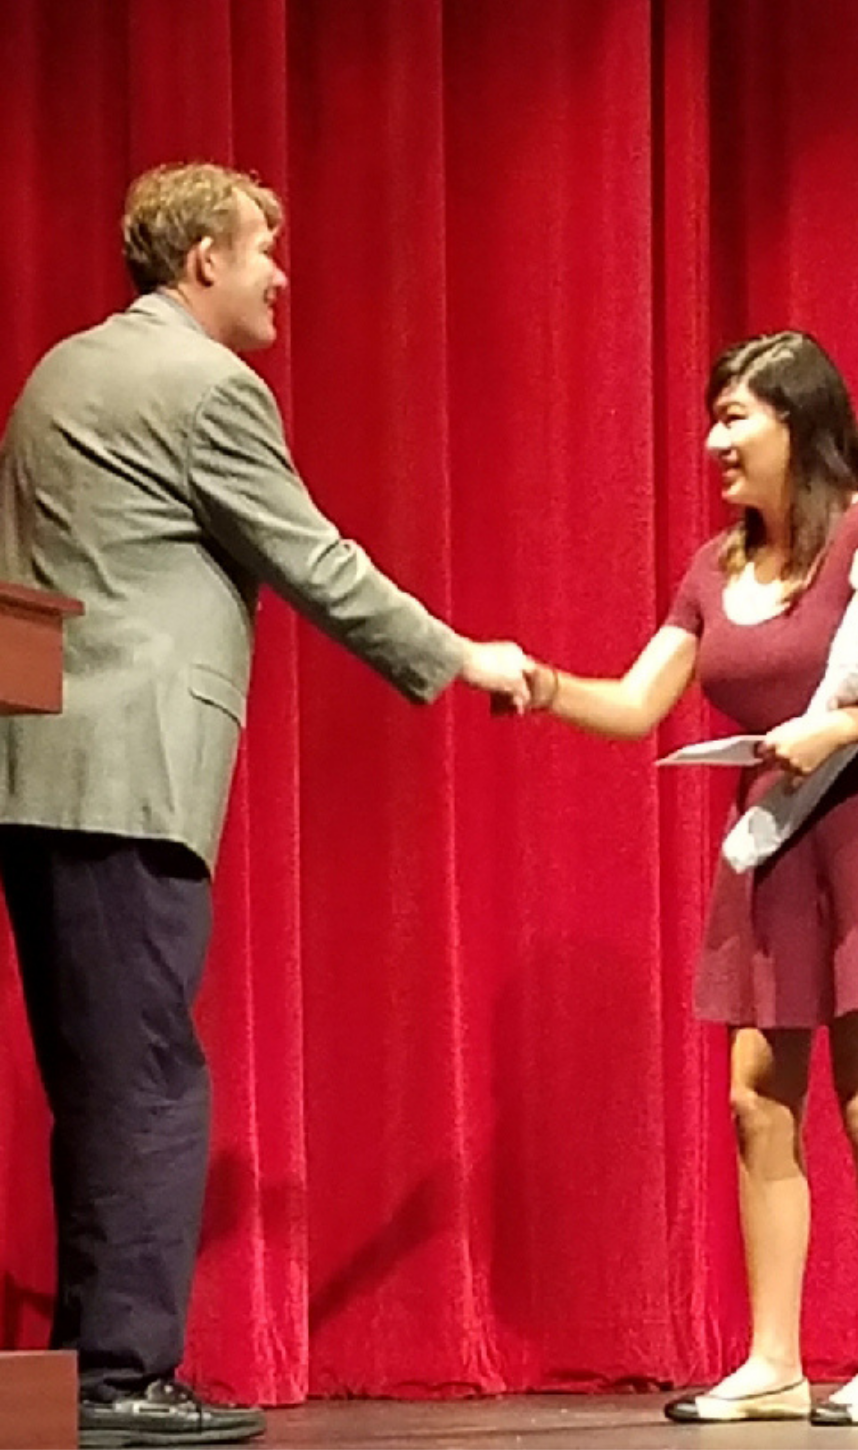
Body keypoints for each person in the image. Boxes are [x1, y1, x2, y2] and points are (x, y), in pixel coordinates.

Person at [0, 161, 530, 1448]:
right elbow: (313, 557)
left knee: (101, 1081)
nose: (279, 274)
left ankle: (61, 1394)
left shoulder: (61, 372)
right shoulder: (207, 388)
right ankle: (119, 1382)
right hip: (127, 780)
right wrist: (459, 654)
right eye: (263, 250)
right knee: (149, 1085)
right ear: (203, 264)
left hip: (40, 767)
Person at [522, 331, 858, 1426]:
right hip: (773, 843)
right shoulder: (713, 568)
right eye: (714, 416)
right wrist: (541, 683)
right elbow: (639, 701)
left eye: (737, 416)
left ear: (799, 422)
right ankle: (773, 1359)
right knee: (754, 1098)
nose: (713, 440)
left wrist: (845, 721)